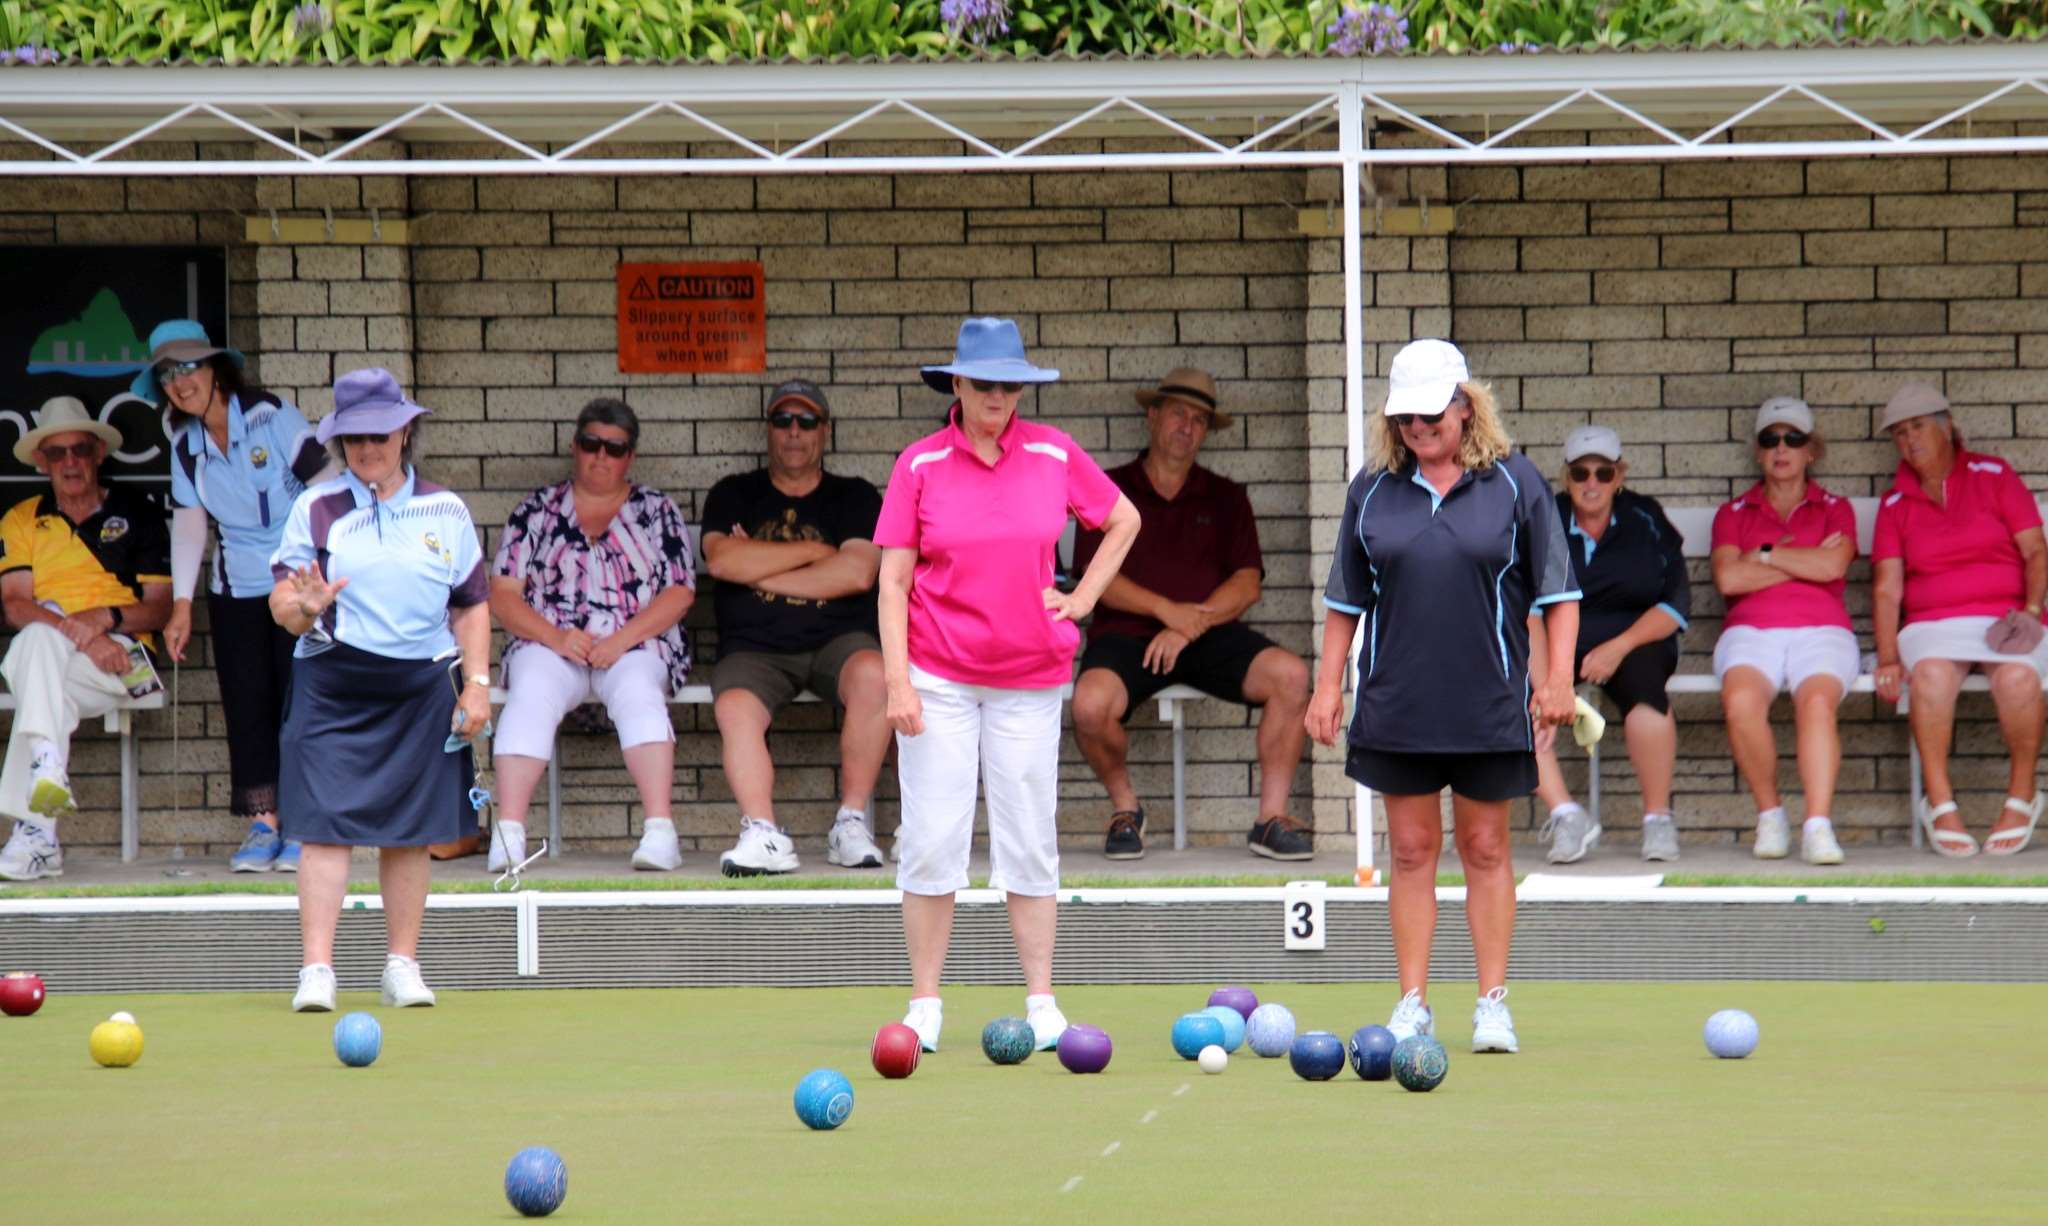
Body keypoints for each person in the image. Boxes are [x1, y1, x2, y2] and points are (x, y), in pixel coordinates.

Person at [1305, 338, 1578, 1056]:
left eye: (1433, 415)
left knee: (1487, 848)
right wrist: (1327, 686)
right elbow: (1344, 600)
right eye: (1406, 419)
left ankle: (1492, 1004)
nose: (1420, 429)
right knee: (1412, 850)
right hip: (1398, 703)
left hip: (1490, 700)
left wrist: (1558, 681)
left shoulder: (1517, 482)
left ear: (1465, 407)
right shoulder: (1371, 489)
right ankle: (1413, 1004)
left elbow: (1559, 594)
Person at [876, 318, 1140, 1053]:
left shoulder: (1054, 452)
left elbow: (1123, 519)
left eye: (1009, 384)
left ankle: (1042, 998)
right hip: (937, 676)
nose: (998, 396)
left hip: (1030, 677)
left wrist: (1082, 598)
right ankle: (925, 1002)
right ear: (955, 385)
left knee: (1029, 838)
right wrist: (897, 681)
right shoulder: (920, 463)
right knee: (932, 838)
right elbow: (892, 578)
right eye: (984, 383)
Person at [270, 368, 490, 1012]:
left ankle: (403, 965)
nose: (370, 448)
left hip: (421, 684)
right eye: (356, 437)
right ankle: (317, 971)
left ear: (405, 433)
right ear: (340, 442)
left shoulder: (446, 509)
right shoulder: (316, 507)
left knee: (410, 830)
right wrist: (304, 606)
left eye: (382, 434)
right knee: (323, 828)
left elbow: (472, 605)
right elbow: (284, 605)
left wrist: (477, 685)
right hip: (333, 680)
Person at [1071, 367, 1311, 860]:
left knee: (1291, 676)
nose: (1187, 426)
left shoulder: (1226, 496)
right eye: (1178, 413)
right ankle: (1126, 811)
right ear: (1153, 416)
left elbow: (1246, 585)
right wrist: (1167, 612)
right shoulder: (1107, 488)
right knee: (1090, 707)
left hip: (1209, 635)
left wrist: (1189, 625)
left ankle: (1269, 820)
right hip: (1127, 634)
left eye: (1199, 419)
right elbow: (1098, 579)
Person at [137, 319, 334, 873]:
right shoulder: (184, 442)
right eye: (167, 374)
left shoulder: (271, 415)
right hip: (235, 588)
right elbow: (191, 526)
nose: (180, 382)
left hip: (296, 582)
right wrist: (181, 603)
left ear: (215, 367)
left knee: (302, 702)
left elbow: (327, 484)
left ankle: (304, 824)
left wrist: (315, 568)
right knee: (248, 705)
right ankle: (263, 823)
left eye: (189, 367)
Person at [488, 398, 695, 873]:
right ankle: (511, 833)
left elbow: (680, 593)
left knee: (641, 690)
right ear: (574, 446)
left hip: (634, 644)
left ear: (631, 457)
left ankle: (660, 832)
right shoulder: (537, 510)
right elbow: (503, 595)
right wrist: (557, 638)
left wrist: (620, 640)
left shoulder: (656, 510)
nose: (602, 456)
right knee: (532, 690)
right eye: (591, 444)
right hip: (550, 643)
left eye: (615, 448)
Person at [702, 379, 887, 875]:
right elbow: (721, 562)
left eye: (806, 421)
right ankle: (763, 833)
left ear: (825, 431)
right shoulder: (732, 493)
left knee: (877, 676)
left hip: (839, 642)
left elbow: (858, 573)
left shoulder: (856, 496)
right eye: (782, 420)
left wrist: (759, 564)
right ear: (768, 430)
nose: (794, 432)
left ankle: (850, 823)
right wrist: (815, 554)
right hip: (754, 649)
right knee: (735, 708)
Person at [1871, 383, 2047, 856]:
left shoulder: (1995, 475)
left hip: (2005, 615)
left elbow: (2035, 550)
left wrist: (2031, 611)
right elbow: (1888, 588)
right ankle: (1940, 800)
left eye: (1919, 427)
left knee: (2017, 679)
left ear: (1946, 427)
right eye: (1900, 434)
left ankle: (2023, 794)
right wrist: (1887, 656)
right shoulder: (1894, 504)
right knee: (1927, 676)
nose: (1910, 441)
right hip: (1931, 623)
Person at [0, 398, 171, 881]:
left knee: (36, 659)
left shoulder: (137, 511)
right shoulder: (21, 518)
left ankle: (37, 828)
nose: (70, 461)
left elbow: (159, 607)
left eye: (79, 449)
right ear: (42, 461)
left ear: (97, 452)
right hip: (72, 655)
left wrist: (104, 620)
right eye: (57, 453)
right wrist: (82, 638)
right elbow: (15, 603)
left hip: (126, 659)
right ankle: (43, 795)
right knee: (37, 643)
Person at [1533, 425, 1691, 864]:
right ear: (1566, 477)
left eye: (1603, 473)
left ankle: (1658, 819)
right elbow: (1526, 610)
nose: (1591, 483)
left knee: (1648, 691)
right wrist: (1547, 681)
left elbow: (1675, 605)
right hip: (1554, 641)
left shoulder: (1645, 518)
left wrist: (1618, 647)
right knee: (1515, 696)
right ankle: (1567, 816)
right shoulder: (1543, 520)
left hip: (1634, 639)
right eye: (1580, 473)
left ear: (1619, 476)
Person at [1710, 396, 1857, 867]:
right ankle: (1770, 814)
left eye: (1793, 439)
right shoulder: (1733, 513)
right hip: (1751, 629)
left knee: (1815, 702)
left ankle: (1817, 826)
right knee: (1740, 701)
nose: (1781, 448)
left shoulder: (1836, 508)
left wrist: (1766, 555)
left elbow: (1835, 564)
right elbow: (1730, 579)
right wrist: (1805, 563)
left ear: (1810, 449)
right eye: (1770, 439)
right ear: (1758, 451)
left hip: (1823, 630)